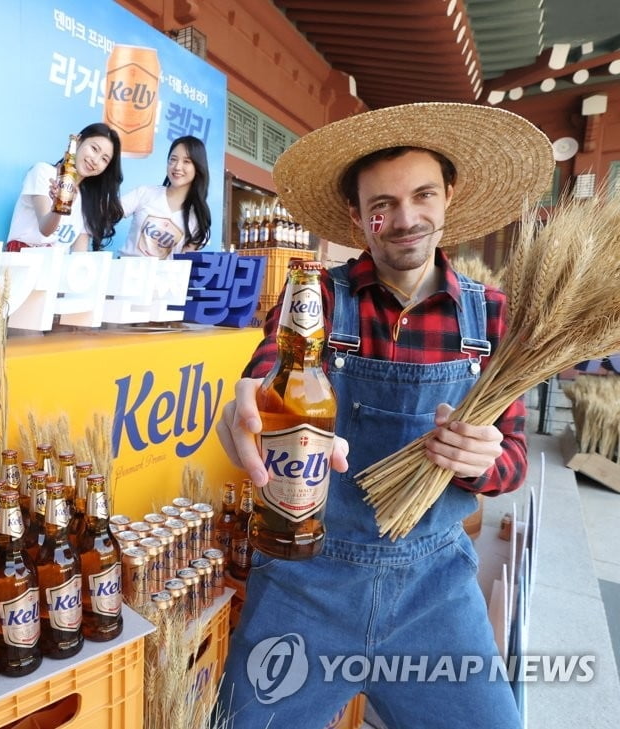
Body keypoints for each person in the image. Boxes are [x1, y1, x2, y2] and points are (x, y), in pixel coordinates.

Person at [213, 102, 554, 729]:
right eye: (382, 204)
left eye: (422, 195)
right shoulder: (314, 298)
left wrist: (482, 462)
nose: (404, 219)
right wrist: (240, 420)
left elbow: (513, 459)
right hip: (304, 586)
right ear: (355, 215)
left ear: (448, 196)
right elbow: (264, 382)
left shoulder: (493, 316)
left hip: (436, 594)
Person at [5, 122, 123, 252]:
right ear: (78, 142)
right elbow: (45, 230)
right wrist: (59, 206)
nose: (95, 161)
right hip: (22, 263)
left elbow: (79, 254)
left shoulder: (88, 202)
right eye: (94, 149)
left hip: (56, 268)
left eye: (104, 159)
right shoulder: (44, 172)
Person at [118, 135, 211, 258]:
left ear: (198, 168)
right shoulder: (145, 193)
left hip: (164, 277)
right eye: (173, 159)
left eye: (186, 161)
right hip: (125, 273)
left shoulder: (198, 216)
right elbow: (107, 215)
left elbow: (184, 264)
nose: (177, 167)